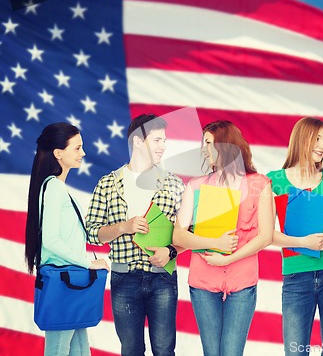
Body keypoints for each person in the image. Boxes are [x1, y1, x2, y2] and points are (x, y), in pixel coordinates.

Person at [173, 120, 274, 356]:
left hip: (242, 281)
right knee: (212, 352)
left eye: (208, 143)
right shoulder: (196, 186)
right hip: (203, 280)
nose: (203, 149)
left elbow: (266, 236)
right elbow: (178, 235)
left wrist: (228, 258)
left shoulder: (260, 184)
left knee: (231, 352)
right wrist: (214, 244)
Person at [86, 114, 184, 356]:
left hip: (162, 278)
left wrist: (170, 251)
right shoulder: (108, 183)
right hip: (124, 278)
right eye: (157, 140)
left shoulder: (174, 184)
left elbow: (189, 231)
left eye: (164, 141)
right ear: (138, 141)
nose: (163, 146)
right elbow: (92, 233)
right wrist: (123, 227)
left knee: (164, 350)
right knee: (131, 350)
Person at [266, 117, 323, 356]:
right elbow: (266, 235)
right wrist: (303, 242)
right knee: (295, 352)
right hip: (296, 275)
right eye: (317, 139)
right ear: (301, 139)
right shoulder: (275, 180)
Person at [25, 122, 109, 356]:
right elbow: (51, 240)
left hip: (70, 282)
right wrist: (88, 263)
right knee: (59, 350)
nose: (83, 153)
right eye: (77, 148)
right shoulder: (54, 188)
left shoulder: (56, 188)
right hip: (65, 282)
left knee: (81, 351)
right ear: (58, 153)